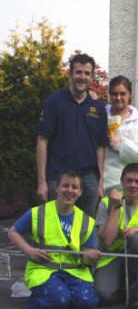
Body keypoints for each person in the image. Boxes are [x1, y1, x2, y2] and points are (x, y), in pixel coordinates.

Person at [8, 170, 100, 309]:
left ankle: (61, 294)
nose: (69, 190)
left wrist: (90, 257)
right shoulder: (37, 213)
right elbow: (13, 232)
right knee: (60, 300)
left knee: (86, 302)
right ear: (57, 188)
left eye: (74, 187)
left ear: (80, 192)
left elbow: (86, 254)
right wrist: (29, 251)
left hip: (74, 271)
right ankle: (43, 296)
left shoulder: (86, 221)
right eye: (65, 186)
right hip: (44, 269)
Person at [36, 53, 108, 217]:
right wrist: (42, 182)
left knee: (86, 229)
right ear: (71, 74)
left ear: (92, 77)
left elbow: (100, 148)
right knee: (58, 231)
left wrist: (100, 183)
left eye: (87, 73)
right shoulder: (53, 103)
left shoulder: (98, 108)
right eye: (79, 72)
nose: (82, 77)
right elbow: (42, 142)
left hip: (89, 179)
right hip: (58, 176)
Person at [94, 163, 138, 305]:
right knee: (105, 295)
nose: (133, 185)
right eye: (129, 180)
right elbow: (108, 240)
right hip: (112, 256)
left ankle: (135, 285)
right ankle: (121, 287)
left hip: (137, 257)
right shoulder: (105, 203)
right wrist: (115, 207)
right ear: (122, 181)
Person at [103, 75, 138, 193]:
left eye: (122, 94)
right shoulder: (102, 115)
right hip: (101, 185)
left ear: (130, 94)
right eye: (114, 94)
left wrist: (121, 144)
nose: (118, 98)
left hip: (126, 187)